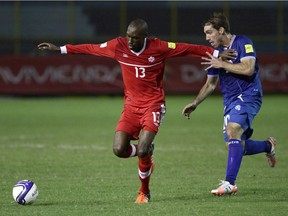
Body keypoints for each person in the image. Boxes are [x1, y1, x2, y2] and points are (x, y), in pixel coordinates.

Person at [38, 18, 235, 203]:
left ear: (145, 37)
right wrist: (60, 49)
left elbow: (187, 49)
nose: (130, 41)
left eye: (135, 37)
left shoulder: (158, 47)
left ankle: (144, 191)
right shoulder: (119, 46)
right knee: (119, 150)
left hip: (153, 105)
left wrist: (217, 54)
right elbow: (91, 48)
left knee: (142, 150)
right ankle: (147, 154)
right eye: (129, 36)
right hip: (131, 107)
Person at [182, 12, 277, 196]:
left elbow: (249, 69)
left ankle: (230, 183)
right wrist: (195, 102)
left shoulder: (243, 42)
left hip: (249, 94)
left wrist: (223, 64)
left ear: (221, 30)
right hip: (231, 100)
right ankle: (268, 146)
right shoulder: (217, 53)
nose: (207, 37)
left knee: (232, 130)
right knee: (234, 144)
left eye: (209, 32)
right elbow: (210, 84)